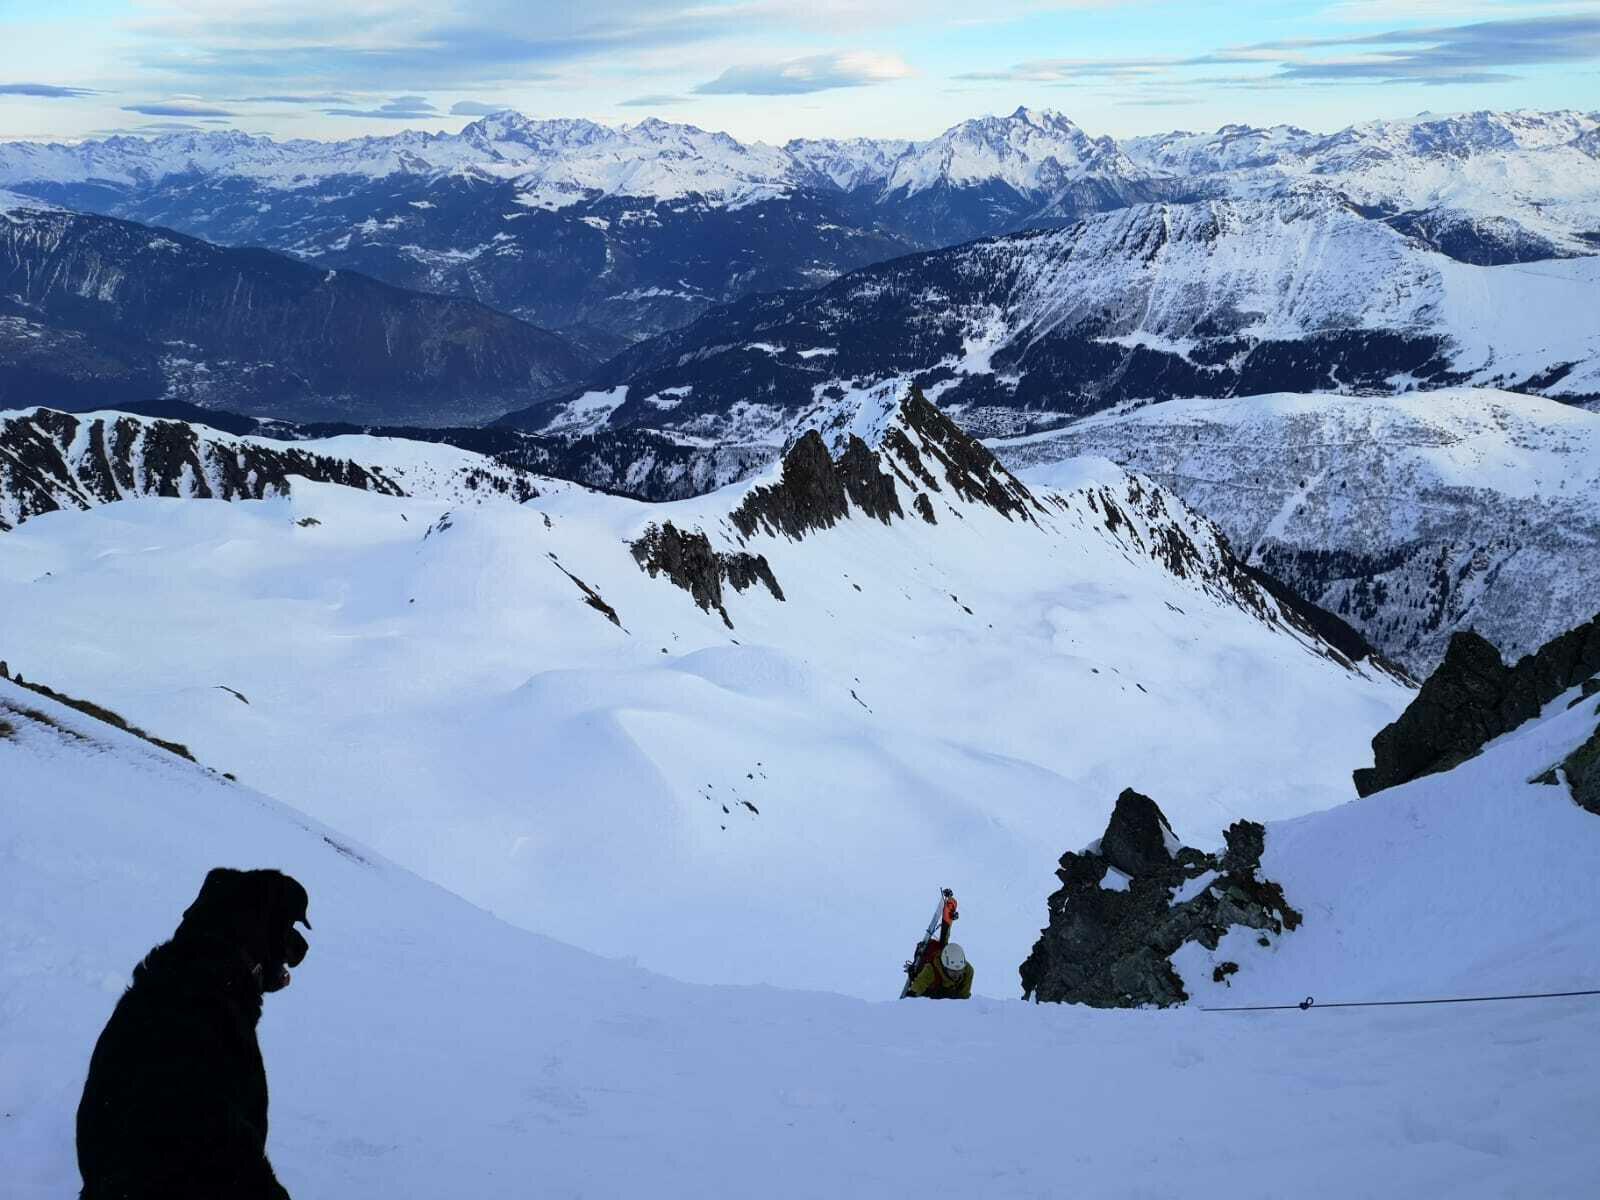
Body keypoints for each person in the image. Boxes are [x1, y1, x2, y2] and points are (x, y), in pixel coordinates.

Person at [907, 942, 973, 1000]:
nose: (957, 974)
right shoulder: (931, 969)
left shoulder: (968, 971)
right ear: (945, 967)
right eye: (953, 971)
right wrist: (911, 996)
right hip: (931, 996)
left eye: (959, 971)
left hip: (951, 996)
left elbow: (964, 996)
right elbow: (919, 984)